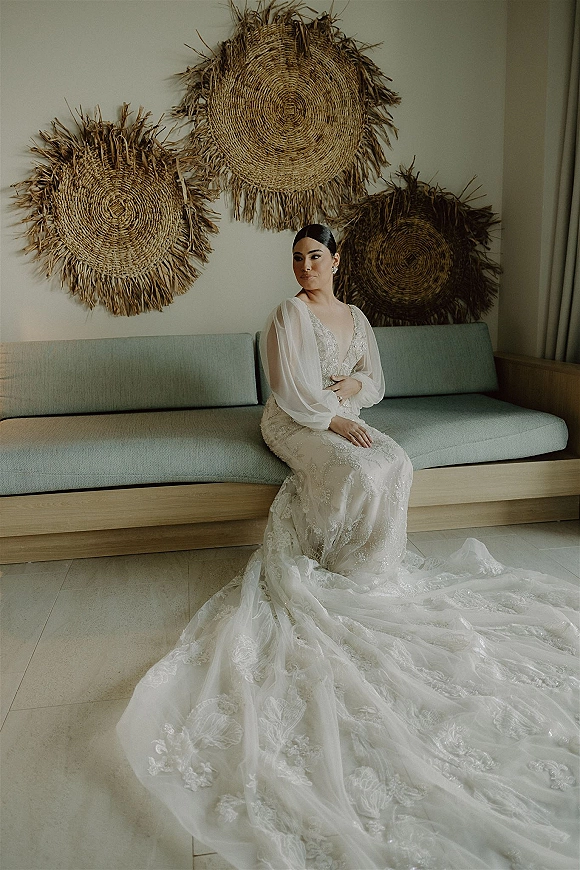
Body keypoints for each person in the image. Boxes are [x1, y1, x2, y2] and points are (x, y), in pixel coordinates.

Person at [118, 225, 578, 870]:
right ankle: (332, 557)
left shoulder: (357, 315)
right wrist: (333, 414)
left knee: (399, 465)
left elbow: (374, 378)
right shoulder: (287, 314)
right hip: (296, 422)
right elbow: (288, 389)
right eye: (298, 258)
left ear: (337, 260)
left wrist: (353, 398)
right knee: (360, 468)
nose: (306, 266)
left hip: (344, 415)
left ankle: (375, 565)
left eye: (317, 256)